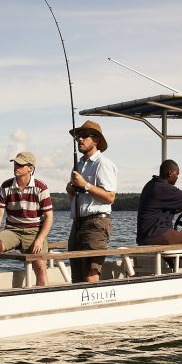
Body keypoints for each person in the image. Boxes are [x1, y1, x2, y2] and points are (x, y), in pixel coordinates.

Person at [0, 151, 54, 288]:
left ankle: (43, 293)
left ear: (30, 168)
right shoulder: (6, 186)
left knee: (39, 264)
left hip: (34, 231)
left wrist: (39, 240)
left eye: (20, 165)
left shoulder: (41, 187)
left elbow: (49, 217)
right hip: (12, 230)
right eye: (15, 164)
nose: (16, 167)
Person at [66, 120, 118, 283]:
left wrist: (85, 185)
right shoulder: (78, 165)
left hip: (96, 222)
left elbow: (110, 197)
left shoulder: (103, 164)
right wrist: (71, 191)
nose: (80, 139)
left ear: (95, 140)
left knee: (91, 270)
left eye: (84, 136)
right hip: (78, 223)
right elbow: (73, 200)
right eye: (78, 137)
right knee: (76, 273)